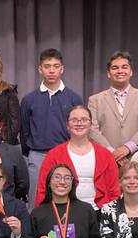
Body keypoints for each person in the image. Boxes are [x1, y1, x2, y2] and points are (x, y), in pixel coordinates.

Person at [20, 48, 84, 204]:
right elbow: (24, 131)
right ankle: (35, 229)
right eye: (47, 66)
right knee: (36, 199)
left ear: (62, 69)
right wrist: (31, 152)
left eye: (56, 66)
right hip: (38, 155)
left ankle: (64, 229)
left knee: (68, 197)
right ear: (40, 69)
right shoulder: (29, 99)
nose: (51, 70)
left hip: (66, 154)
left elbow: (80, 128)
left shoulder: (74, 98)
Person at [35, 106, 121, 210]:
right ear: (67, 125)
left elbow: (114, 190)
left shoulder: (105, 155)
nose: (79, 123)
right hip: (64, 212)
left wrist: (114, 215)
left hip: (99, 212)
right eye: (74, 120)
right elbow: (43, 189)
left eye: (84, 120)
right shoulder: (54, 155)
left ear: (90, 125)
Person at [88, 51, 138, 164]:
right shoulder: (95, 100)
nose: (120, 71)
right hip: (105, 159)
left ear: (131, 72)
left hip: (137, 159)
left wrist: (128, 148)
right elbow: (92, 130)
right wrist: (112, 152)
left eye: (124, 67)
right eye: (115, 68)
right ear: (108, 73)